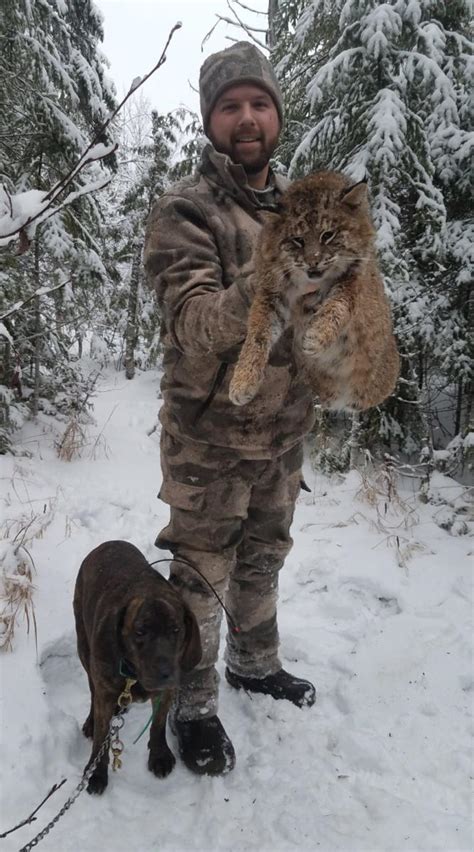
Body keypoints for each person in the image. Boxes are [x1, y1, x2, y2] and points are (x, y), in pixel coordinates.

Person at [144, 41, 318, 777]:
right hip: (209, 441)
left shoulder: (306, 209)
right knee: (202, 571)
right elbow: (192, 327)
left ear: (276, 115)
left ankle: (255, 661)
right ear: (210, 120)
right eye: (229, 106)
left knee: (265, 554)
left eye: (259, 103)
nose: (246, 118)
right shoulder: (187, 209)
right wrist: (267, 283)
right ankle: (192, 703)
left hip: (282, 433)